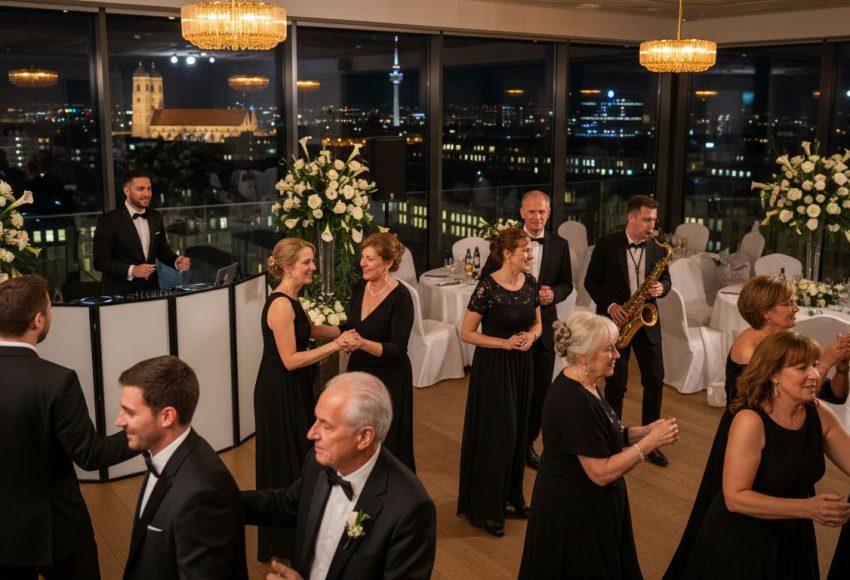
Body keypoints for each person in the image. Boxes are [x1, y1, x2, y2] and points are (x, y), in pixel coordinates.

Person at [664, 275, 850, 579]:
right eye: (787, 303)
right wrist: (826, 360)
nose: (795, 308)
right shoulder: (749, 352)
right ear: (766, 312)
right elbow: (766, 397)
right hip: (746, 438)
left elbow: (832, 395)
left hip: (790, 510)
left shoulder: (793, 368)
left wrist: (840, 366)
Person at [519, 311, 678, 579]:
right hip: (575, 516)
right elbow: (600, 473)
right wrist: (649, 444)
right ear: (584, 355)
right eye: (609, 349)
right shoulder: (575, 401)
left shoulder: (586, 383)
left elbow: (604, 432)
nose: (616, 355)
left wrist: (642, 432)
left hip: (585, 507)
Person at [0, 275, 136, 580]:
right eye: (50, 309)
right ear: (37, 321)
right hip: (55, 529)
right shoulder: (58, 381)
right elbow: (90, 455)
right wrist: (142, 433)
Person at [242, 372, 437, 580]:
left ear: (364, 437)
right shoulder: (318, 461)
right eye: (316, 419)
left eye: (326, 426)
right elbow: (285, 505)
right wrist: (216, 497)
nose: (311, 434)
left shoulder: (410, 509)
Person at [254, 237, 358, 562]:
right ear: (288, 267)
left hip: (292, 387)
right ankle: (281, 544)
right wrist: (338, 346)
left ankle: (297, 534)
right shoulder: (281, 304)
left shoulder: (292, 298)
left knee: (297, 456)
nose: (313, 267)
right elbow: (290, 359)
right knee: (286, 461)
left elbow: (308, 330)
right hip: (279, 389)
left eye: (312, 261)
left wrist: (344, 328)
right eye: (307, 262)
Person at [116, 355, 248, 580]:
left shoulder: (201, 496)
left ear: (167, 416)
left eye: (130, 412)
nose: (119, 421)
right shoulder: (165, 452)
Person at [458, 227, 542, 537]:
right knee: (499, 435)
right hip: (494, 368)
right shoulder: (487, 287)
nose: (530, 256)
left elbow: (537, 325)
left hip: (522, 365)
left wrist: (530, 338)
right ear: (508, 254)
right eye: (525, 251)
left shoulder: (531, 283)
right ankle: (487, 507)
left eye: (530, 250)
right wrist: (504, 343)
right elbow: (466, 333)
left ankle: (514, 497)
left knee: (520, 433)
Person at [480, 190, 573, 469]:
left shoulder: (560, 244)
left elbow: (567, 284)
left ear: (549, 213)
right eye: (531, 212)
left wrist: (552, 295)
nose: (537, 217)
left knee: (539, 393)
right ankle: (506, 444)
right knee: (510, 394)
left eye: (542, 212)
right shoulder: (506, 242)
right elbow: (487, 280)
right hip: (509, 330)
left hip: (542, 331)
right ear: (522, 213)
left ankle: (528, 444)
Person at [584, 194, 672, 467]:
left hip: (646, 324)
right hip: (616, 324)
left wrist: (662, 288)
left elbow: (666, 278)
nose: (651, 226)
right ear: (631, 217)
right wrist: (610, 306)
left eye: (654, 221)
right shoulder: (607, 244)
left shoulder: (659, 248)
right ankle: (614, 437)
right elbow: (591, 282)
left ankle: (651, 440)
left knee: (655, 381)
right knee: (616, 385)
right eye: (646, 220)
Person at [343, 232, 416, 471]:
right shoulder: (360, 286)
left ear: (387, 264)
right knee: (359, 439)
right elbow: (347, 328)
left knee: (388, 443)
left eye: (370, 258)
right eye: (363, 257)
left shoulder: (401, 297)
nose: (362, 263)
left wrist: (360, 343)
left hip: (389, 380)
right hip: (360, 375)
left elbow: (397, 349)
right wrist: (311, 330)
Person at [93, 169, 190, 295]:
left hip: (151, 290)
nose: (147, 194)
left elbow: (162, 251)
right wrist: (132, 270)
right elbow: (100, 261)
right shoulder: (109, 220)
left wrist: (176, 261)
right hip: (119, 294)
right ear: (126, 191)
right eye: (140, 189)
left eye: (148, 188)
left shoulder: (156, 217)